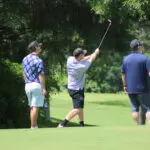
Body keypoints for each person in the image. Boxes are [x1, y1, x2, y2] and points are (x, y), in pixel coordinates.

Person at [58, 47, 100, 128]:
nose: (84, 55)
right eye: (83, 54)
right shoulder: (82, 67)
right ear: (80, 56)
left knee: (80, 107)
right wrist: (96, 53)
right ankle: (62, 123)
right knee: (77, 109)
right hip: (76, 89)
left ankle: (81, 124)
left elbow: (83, 59)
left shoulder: (70, 59)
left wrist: (91, 54)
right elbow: (92, 59)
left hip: (73, 88)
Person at [121, 39, 150, 125]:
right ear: (138, 47)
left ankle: (136, 127)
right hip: (143, 89)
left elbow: (123, 74)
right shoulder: (145, 59)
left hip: (131, 89)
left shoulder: (125, 59)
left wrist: (125, 85)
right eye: (141, 45)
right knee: (148, 108)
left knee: (134, 108)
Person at [22, 41, 47, 129]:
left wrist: (26, 82)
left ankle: (33, 125)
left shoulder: (25, 59)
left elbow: (24, 73)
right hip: (36, 85)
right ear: (36, 47)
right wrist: (43, 88)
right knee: (35, 106)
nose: (40, 48)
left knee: (32, 106)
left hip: (27, 84)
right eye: (39, 46)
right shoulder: (39, 60)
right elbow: (41, 75)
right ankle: (33, 126)